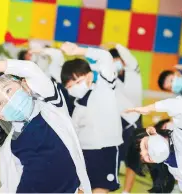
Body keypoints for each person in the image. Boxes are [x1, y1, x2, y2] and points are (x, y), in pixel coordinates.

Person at [0, 59, 91, 193]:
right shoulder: (9, 147)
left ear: (25, 85)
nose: (9, 101)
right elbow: (9, 187)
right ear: (0, 116)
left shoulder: (52, 107)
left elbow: (33, 71)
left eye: (8, 90)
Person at [60, 42, 122, 193]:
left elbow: (106, 57)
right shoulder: (77, 107)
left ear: (89, 76)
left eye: (78, 81)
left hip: (105, 149)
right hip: (84, 152)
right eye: (69, 86)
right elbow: (72, 133)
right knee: (81, 188)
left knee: (101, 188)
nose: (74, 87)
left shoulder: (104, 88)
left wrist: (78, 50)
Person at [126, 95, 182, 193]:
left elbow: (179, 105)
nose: (148, 156)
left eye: (146, 146)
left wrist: (150, 108)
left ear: (151, 131)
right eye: (145, 158)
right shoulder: (174, 170)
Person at [108, 43, 143, 194]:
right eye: (112, 60)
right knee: (112, 157)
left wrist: (113, 45)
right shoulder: (110, 77)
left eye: (117, 59)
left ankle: (126, 191)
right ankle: (107, 188)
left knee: (132, 160)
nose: (115, 63)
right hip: (116, 121)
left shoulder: (133, 71)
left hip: (133, 120)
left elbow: (127, 55)